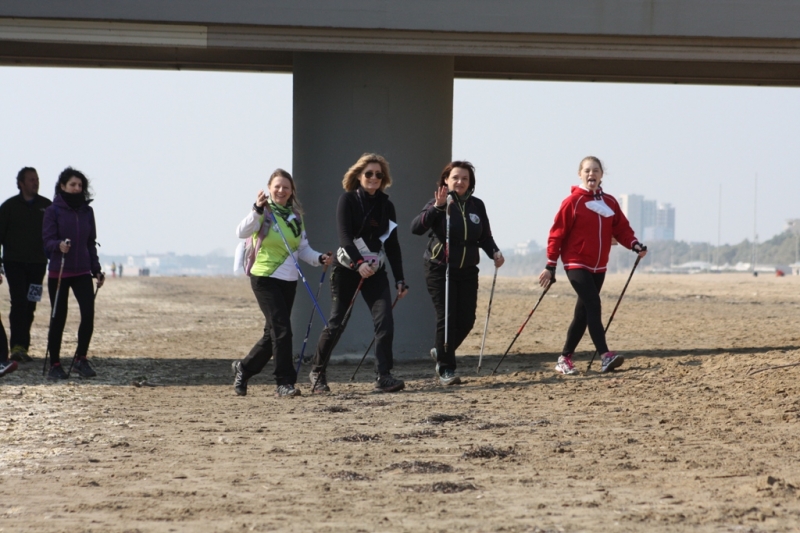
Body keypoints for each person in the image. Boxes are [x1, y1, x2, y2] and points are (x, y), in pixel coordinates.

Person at [309, 153, 408, 394]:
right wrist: (359, 262)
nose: (374, 178)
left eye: (378, 174)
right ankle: (317, 372)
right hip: (348, 270)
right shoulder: (348, 200)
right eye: (369, 174)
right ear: (359, 176)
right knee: (337, 323)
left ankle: (383, 376)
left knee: (385, 320)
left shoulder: (387, 206)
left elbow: (392, 245)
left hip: (376, 271)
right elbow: (344, 237)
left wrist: (400, 279)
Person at [538, 156, 647, 375]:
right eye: (587, 170)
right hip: (575, 262)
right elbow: (556, 234)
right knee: (593, 304)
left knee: (583, 313)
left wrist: (634, 244)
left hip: (599, 266)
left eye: (595, 170)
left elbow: (622, 229)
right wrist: (551, 265)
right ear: (580, 174)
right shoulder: (573, 201)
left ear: (601, 175)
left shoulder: (610, 202)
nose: (591, 174)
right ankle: (605, 355)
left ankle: (564, 358)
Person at [232, 169, 332, 398]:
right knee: (283, 331)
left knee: (273, 335)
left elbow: (303, 249)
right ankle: (284, 383)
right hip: (265, 277)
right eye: (277, 186)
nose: (281, 190)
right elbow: (241, 232)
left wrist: (319, 259)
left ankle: (244, 368)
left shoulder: (296, 216)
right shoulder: (263, 212)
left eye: (286, 187)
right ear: (269, 188)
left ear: (291, 191)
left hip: (289, 280)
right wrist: (256, 209)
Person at [411, 161, 504, 386]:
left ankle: (441, 349)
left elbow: (485, 236)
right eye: (455, 177)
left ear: (470, 182)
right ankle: (446, 369)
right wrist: (437, 207)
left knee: (467, 320)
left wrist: (495, 252)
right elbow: (416, 228)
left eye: (465, 178)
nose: (460, 182)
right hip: (440, 269)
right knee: (447, 317)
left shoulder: (477, 205)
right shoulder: (438, 203)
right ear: (446, 180)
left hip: (468, 270)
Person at [42, 168, 105, 380]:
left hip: (82, 271)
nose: (77, 189)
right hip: (59, 272)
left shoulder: (87, 211)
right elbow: (47, 241)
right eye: (73, 185)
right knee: (58, 317)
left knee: (88, 314)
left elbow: (90, 243)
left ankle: (81, 359)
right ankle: (55, 364)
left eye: (80, 186)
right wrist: (58, 245)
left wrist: (96, 269)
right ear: (63, 186)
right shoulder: (53, 210)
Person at [0, 167, 52, 363]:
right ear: (21, 183)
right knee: (18, 302)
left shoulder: (47, 206)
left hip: (39, 265)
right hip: (15, 264)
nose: (35, 182)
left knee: (31, 304)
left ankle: (23, 346)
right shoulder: (9, 207)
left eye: (37, 179)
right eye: (31, 179)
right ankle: (16, 346)